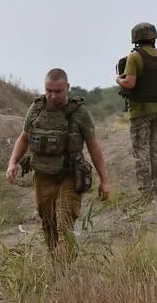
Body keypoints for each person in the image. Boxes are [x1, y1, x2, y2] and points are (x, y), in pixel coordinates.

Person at [6, 68, 111, 260]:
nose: (53, 96)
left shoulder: (79, 112)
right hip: (43, 175)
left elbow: (93, 146)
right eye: (49, 90)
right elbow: (24, 137)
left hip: (69, 176)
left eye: (58, 91)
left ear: (67, 87)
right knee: (48, 223)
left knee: (64, 224)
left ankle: (65, 268)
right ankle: (58, 264)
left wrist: (104, 180)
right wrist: (13, 162)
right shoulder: (36, 109)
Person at [116, 22, 157, 199]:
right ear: (154, 37)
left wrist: (119, 79)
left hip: (139, 113)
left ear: (135, 39)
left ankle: (146, 194)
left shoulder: (135, 57)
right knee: (155, 151)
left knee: (141, 152)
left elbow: (130, 83)